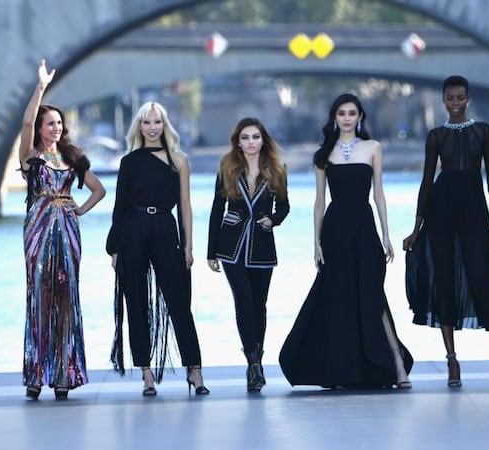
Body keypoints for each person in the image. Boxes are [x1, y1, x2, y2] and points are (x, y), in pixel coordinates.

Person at [279, 93, 413, 389]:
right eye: (342, 113)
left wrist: (386, 234)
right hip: (335, 229)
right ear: (334, 117)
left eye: (352, 112)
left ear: (360, 116)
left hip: (365, 228)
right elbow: (318, 202)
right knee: (338, 297)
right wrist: (315, 243)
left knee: (373, 294)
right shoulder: (323, 155)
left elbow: (378, 194)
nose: (347, 118)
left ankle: (397, 364)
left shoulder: (373, 148)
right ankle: (341, 370)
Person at [402, 75, 489, 388]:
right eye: (449, 99)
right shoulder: (436, 136)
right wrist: (416, 226)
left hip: (475, 211)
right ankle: (452, 361)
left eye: (460, 98)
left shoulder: (483, 132)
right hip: (441, 212)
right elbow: (426, 181)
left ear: (468, 98)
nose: (455, 104)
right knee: (444, 280)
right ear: (443, 100)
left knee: (481, 276)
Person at [106, 101, 209, 397]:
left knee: (179, 302)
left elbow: (186, 207)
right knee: (136, 303)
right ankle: (146, 374)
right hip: (133, 230)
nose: (152, 128)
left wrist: (189, 245)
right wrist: (114, 247)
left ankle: (195, 370)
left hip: (165, 228)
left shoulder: (179, 160)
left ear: (165, 125)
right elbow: (120, 205)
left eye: (157, 122)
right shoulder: (129, 162)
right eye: (147, 123)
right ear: (139, 127)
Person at [18, 60, 106, 400]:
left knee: (67, 297)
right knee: (39, 296)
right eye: (50, 123)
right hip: (38, 229)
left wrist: (78, 210)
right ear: (40, 128)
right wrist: (40, 87)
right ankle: (36, 375)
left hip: (67, 231)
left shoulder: (72, 158)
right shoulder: (32, 158)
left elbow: (99, 190)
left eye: (59, 123)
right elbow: (26, 119)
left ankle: (64, 375)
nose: (56, 128)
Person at [207, 117, 290, 393]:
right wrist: (210, 252)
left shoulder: (277, 168)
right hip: (231, 246)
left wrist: (273, 220)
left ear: (263, 140)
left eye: (255, 137)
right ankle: (253, 362)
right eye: (245, 137)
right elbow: (216, 209)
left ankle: (258, 359)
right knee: (242, 299)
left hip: (263, 246)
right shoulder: (228, 167)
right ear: (238, 142)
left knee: (259, 305)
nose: (251, 142)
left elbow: (285, 207)